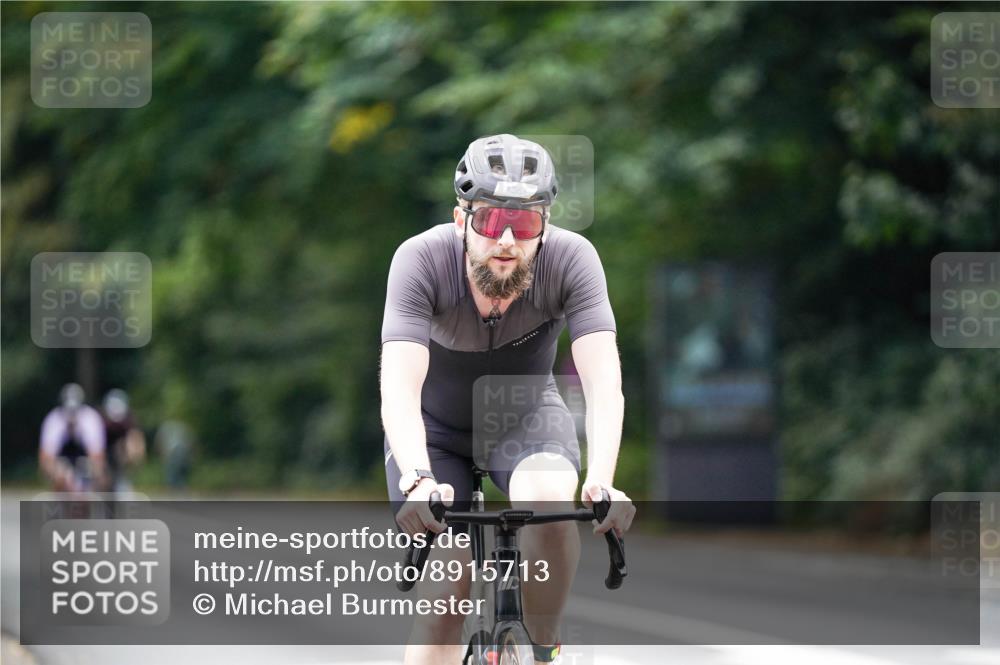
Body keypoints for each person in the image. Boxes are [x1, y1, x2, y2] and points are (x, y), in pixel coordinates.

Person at [381, 134, 636, 664]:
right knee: (447, 591)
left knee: (550, 499)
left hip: (524, 419)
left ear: (544, 227)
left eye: (524, 225)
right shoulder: (420, 260)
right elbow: (399, 386)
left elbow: (604, 382)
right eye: (491, 221)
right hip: (435, 432)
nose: (506, 240)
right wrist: (417, 476)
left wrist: (604, 478)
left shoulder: (573, 260)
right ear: (461, 219)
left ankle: (544, 649)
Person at [39, 383, 107, 492]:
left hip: (84, 460)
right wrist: (56, 475)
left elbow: (97, 455)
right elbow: (46, 457)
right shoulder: (53, 420)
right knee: (59, 476)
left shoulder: (91, 419)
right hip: (62, 460)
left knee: (96, 477)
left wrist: (95, 475)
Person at [101, 389, 146, 493]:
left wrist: (134, 458)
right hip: (104, 451)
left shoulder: (130, 421)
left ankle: (122, 482)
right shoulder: (99, 422)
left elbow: (137, 442)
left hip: (120, 454)